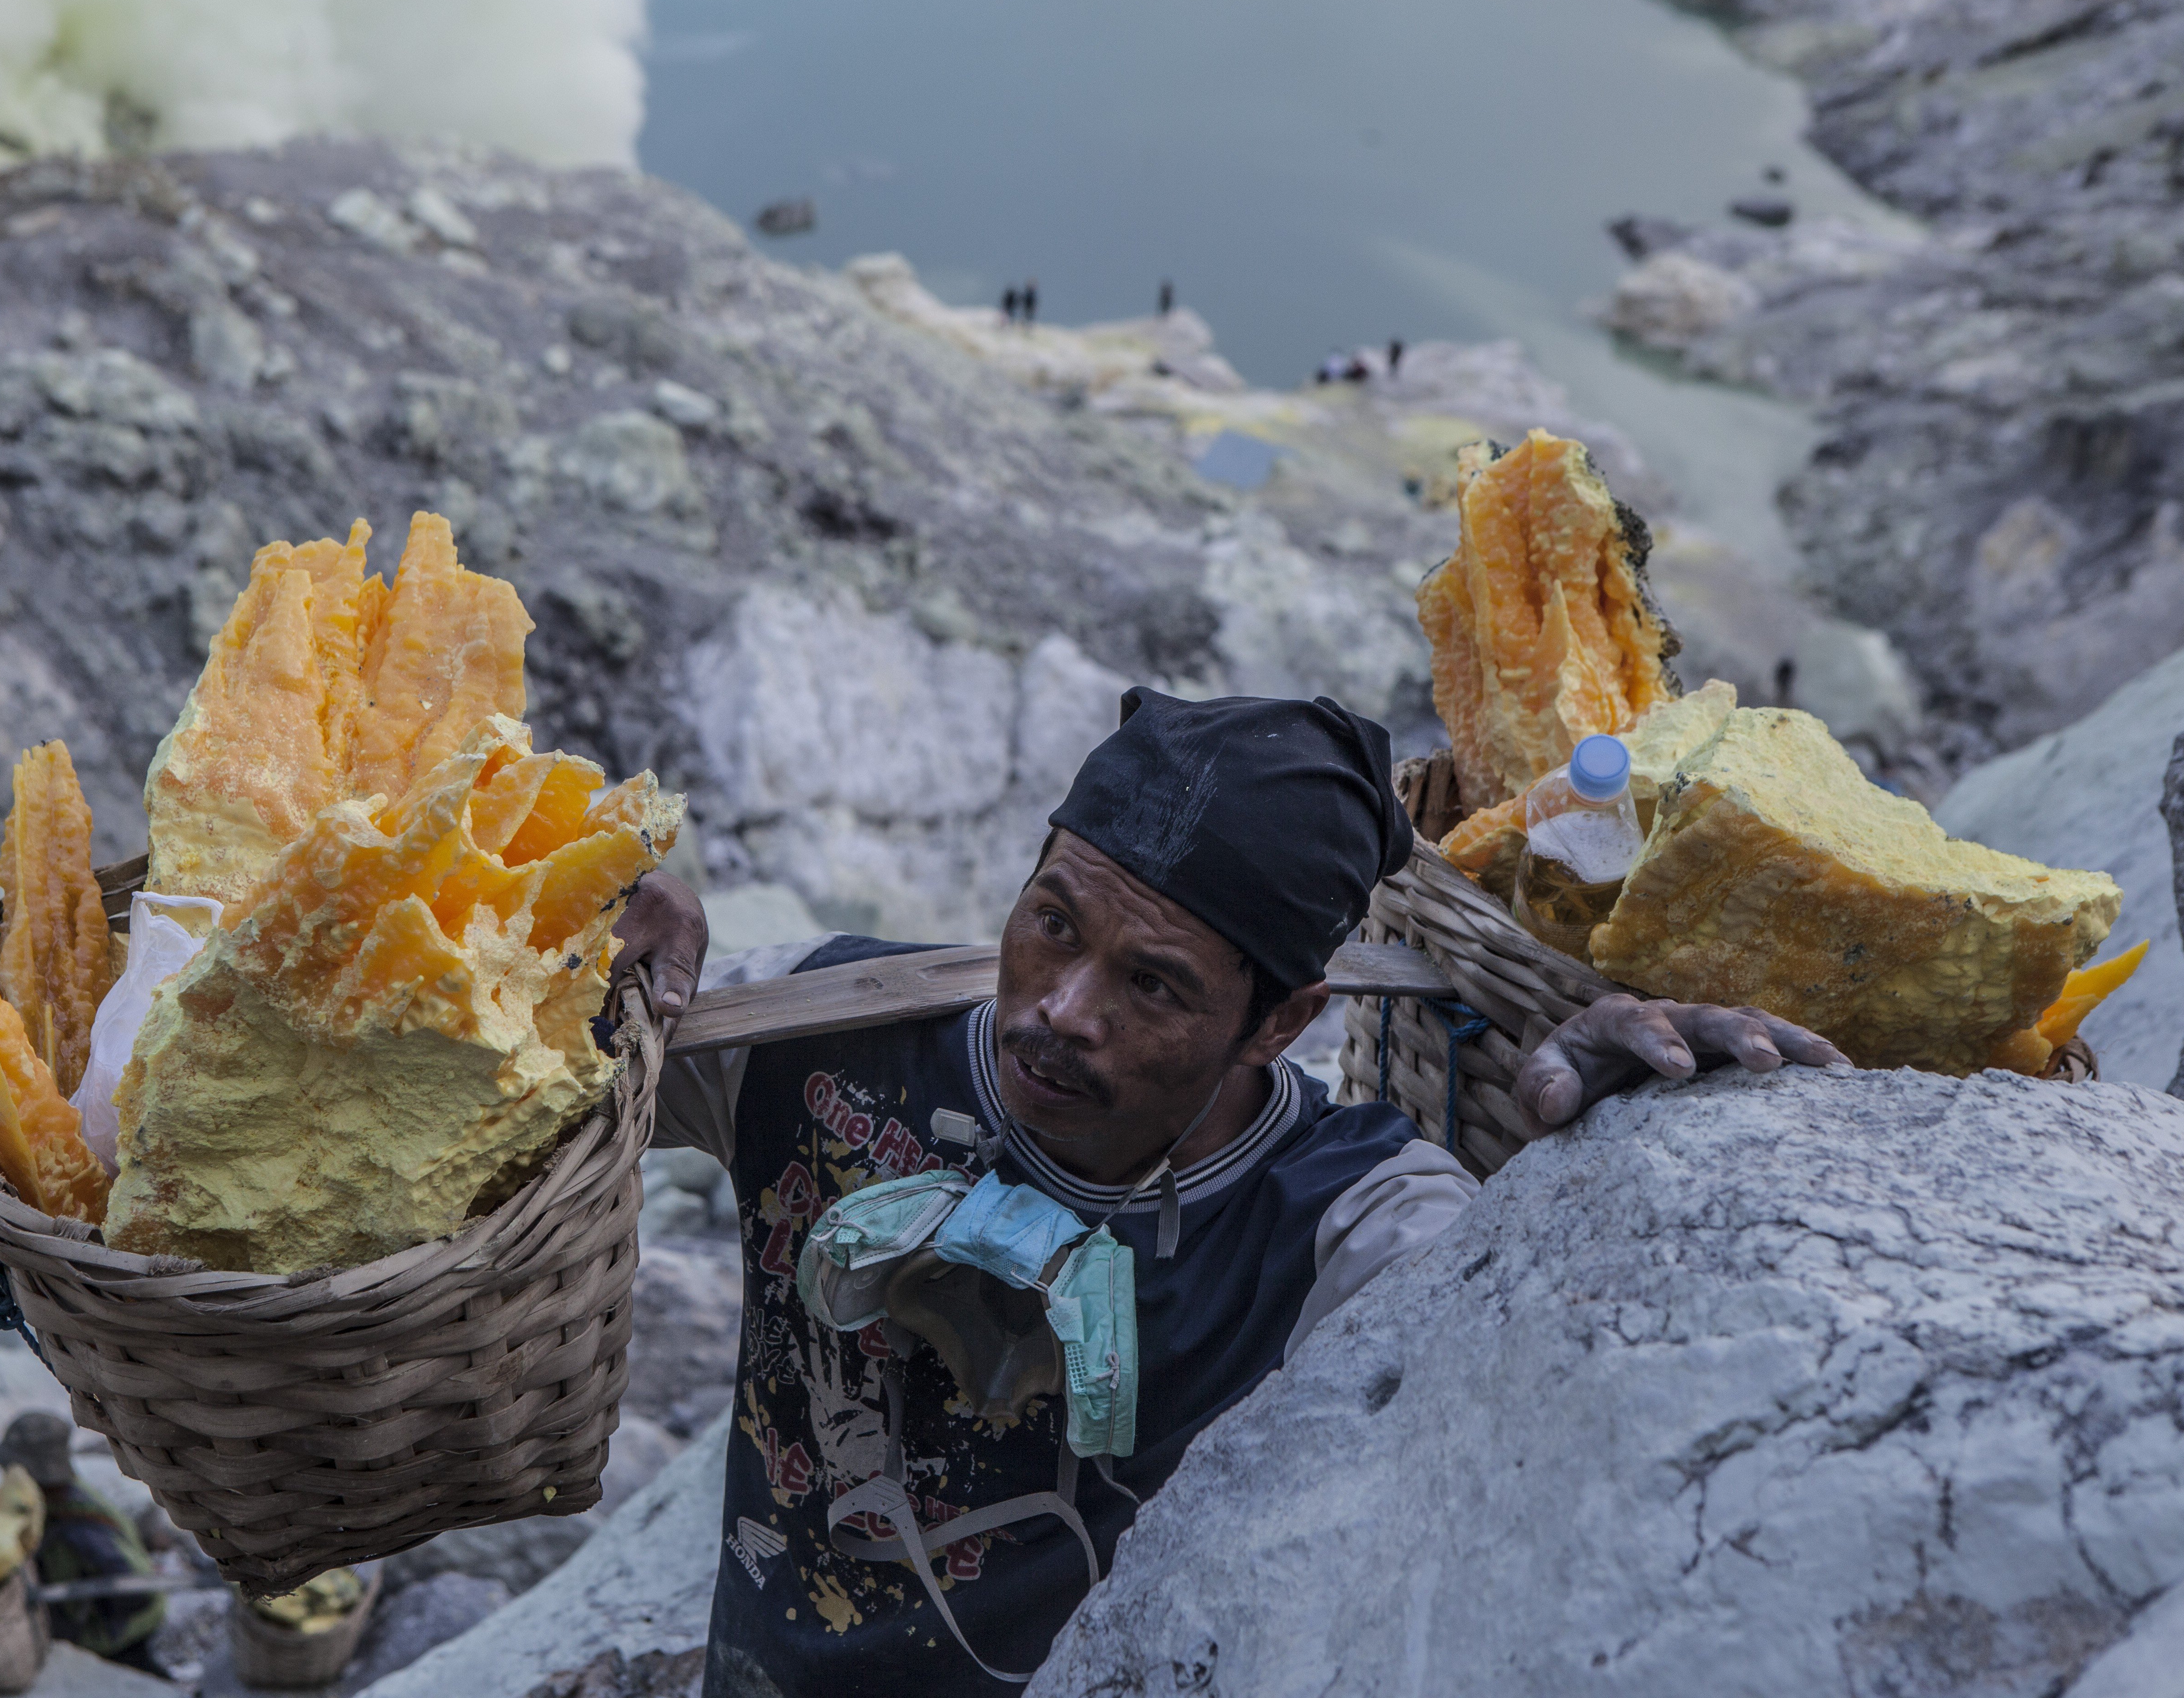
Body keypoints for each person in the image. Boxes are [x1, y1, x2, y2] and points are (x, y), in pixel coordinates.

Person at [610, 689, 1843, 1697]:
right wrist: (580, 955)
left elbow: (1561, 1375)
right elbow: (529, 1104)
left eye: (1153, 987)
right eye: (1052, 923)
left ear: (1284, 1022)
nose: (1060, 1012)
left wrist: (1632, 1140)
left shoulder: (1344, 1228)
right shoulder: (822, 1027)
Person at [0, 1413, 168, 1673]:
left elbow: (133, 1588)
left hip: (120, 1632)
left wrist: (82, 1622)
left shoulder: (78, 1521)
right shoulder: (49, 1506)